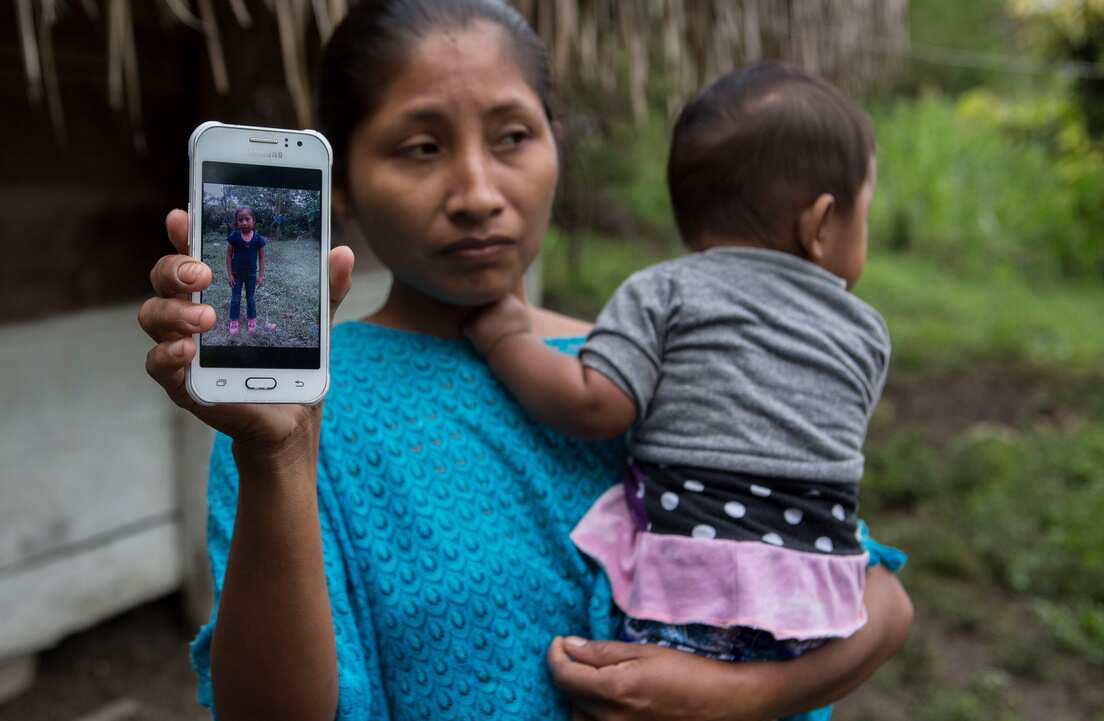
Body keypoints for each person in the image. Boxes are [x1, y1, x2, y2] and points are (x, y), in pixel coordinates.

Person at [137, 2, 913, 720]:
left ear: (554, 146)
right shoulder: (296, 416)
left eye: (512, 136)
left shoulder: (663, 360)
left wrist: (734, 695)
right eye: (421, 147)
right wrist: (278, 460)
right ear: (343, 186)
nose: (477, 191)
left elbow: (873, 597)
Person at [463, 63, 893, 721]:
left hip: (693, 584)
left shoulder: (664, 290)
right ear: (822, 223)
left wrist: (506, 341)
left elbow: (595, 404)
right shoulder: (867, 334)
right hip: (818, 602)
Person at [224, 206, 267, 334]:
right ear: (237, 222)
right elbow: (228, 255)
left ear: (253, 221)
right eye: (240, 220)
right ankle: (234, 320)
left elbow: (262, 257)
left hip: (251, 275)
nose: (243, 222)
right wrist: (230, 274)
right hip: (236, 275)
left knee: (250, 298)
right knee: (235, 298)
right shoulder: (234, 236)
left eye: (247, 219)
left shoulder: (258, 239)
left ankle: (252, 318)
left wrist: (261, 276)